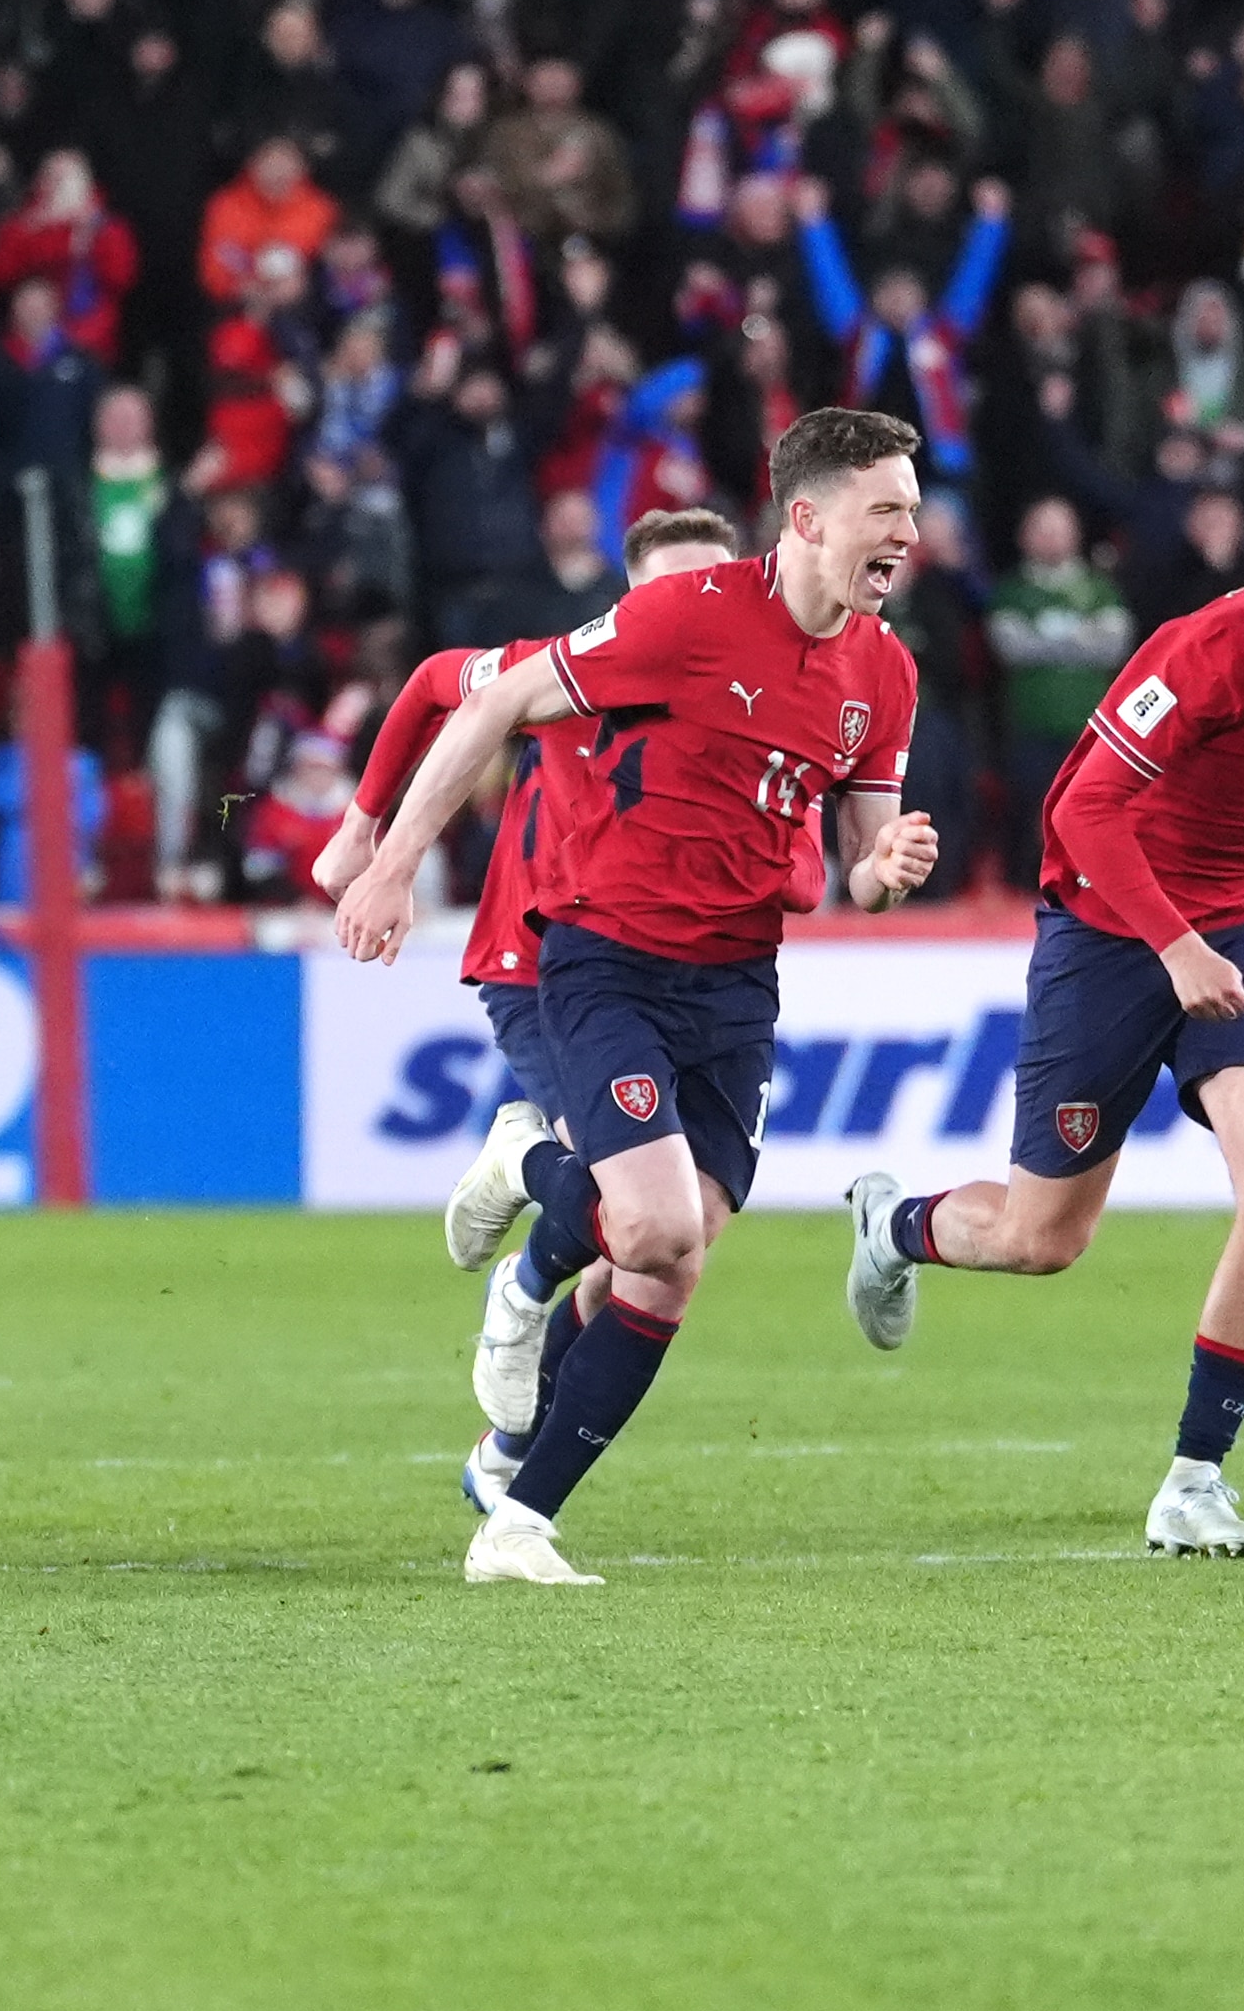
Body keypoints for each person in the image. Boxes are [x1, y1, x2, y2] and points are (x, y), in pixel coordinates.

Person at [329, 409, 938, 1587]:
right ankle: (527, 1164)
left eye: (913, 508)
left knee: (675, 1257)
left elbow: (860, 863)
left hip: (737, 991)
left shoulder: (885, 670)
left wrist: (886, 868)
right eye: (889, 509)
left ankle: (517, 1519)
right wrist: (392, 859)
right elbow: (491, 703)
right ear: (808, 517)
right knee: (654, 1228)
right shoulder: (686, 617)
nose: (910, 532)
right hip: (610, 959)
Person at [839, 537, 1244, 1555]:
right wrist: (1175, 948)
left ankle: (1195, 1478)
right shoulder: (1216, 650)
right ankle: (896, 1225)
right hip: (1110, 926)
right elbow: (1077, 807)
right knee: (1043, 1237)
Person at [309, 509, 736, 1505]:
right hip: (543, 963)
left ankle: (508, 1450)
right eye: (671, 588)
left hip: (683, 973)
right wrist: (363, 831)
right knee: (630, 1206)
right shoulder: (578, 668)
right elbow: (428, 685)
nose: (695, 608)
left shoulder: (747, 697)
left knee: (678, 1230)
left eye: (713, 586)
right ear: (631, 601)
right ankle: (523, 1196)